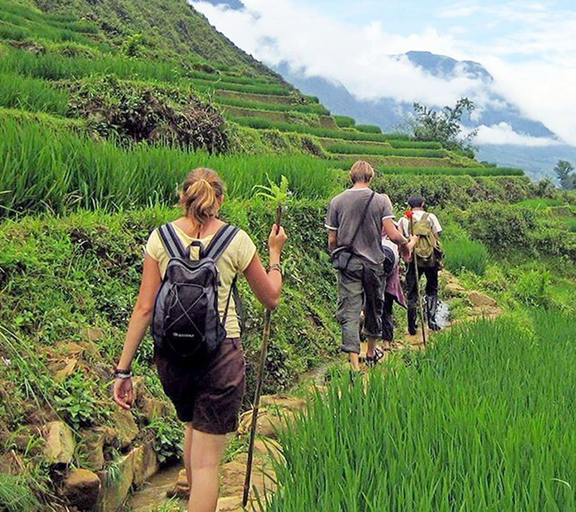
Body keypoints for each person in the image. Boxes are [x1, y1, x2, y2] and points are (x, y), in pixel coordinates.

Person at [112, 168, 287, 512]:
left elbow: (145, 307)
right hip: (220, 356)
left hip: (172, 358)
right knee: (208, 465)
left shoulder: (160, 238)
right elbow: (271, 298)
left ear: (183, 197)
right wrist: (275, 255)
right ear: (219, 199)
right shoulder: (236, 240)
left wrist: (122, 370)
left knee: (192, 424)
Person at [326, 160, 415, 371]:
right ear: (370, 177)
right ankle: (371, 351)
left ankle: (354, 365)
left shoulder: (337, 201)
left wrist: (338, 254)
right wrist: (407, 243)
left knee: (351, 310)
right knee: (375, 306)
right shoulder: (381, 200)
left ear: (351, 177)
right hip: (374, 262)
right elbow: (392, 234)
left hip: (349, 264)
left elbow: (332, 240)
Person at [398, 195, 443, 334]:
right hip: (430, 259)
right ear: (423, 204)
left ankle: (412, 326)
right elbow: (436, 238)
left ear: (409, 205)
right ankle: (432, 321)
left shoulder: (404, 220)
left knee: (412, 292)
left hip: (413, 259)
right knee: (432, 288)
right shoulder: (431, 217)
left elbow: (401, 241)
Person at [378, 226, 407, 351]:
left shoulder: (372, 227)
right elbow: (406, 254)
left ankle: (368, 340)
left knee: (370, 305)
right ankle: (386, 342)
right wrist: (412, 241)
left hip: (371, 274)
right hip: (390, 279)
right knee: (387, 310)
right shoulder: (395, 230)